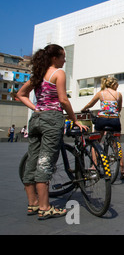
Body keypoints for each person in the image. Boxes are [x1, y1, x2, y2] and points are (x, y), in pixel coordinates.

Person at [16, 44, 88, 220]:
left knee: (32, 160)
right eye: (63, 56)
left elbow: (20, 94)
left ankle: (33, 203)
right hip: (52, 120)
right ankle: (45, 207)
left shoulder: (39, 74)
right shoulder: (58, 73)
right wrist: (75, 119)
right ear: (55, 58)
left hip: (36, 120)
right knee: (46, 162)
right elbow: (63, 100)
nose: (65, 60)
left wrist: (37, 108)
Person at [81, 76, 124, 179]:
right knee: (117, 145)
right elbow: (119, 108)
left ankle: (94, 166)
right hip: (115, 121)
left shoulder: (101, 93)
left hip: (102, 120)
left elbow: (90, 104)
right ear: (114, 85)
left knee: (95, 142)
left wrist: (83, 109)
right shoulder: (119, 94)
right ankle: (122, 170)